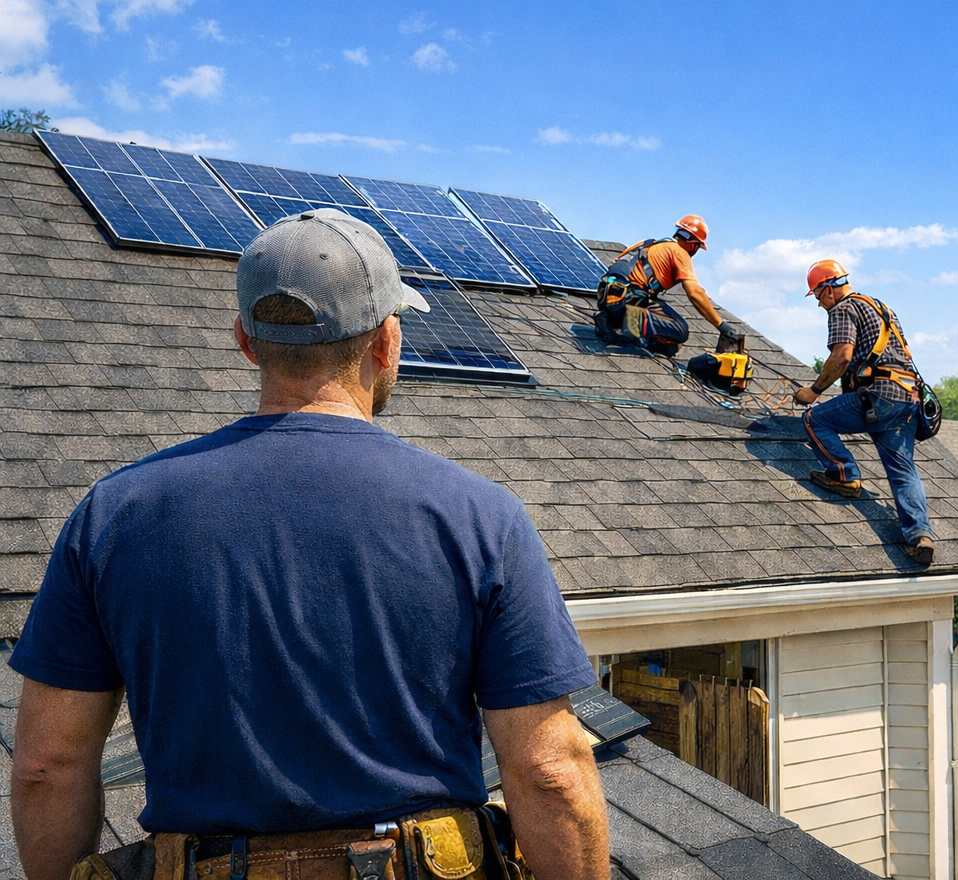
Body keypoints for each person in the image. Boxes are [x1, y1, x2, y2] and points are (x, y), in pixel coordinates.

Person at [9, 207, 609, 880]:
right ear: (386, 341)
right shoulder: (479, 516)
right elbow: (548, 769)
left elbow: (44, 768)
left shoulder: (113, 515)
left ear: (245, 340)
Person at [793, 259, 937, 566]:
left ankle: (845, 475)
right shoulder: (881, 307)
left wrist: (814, 391)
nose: (819, 304)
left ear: (829, 288)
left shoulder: (843, 308)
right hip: (909, 398)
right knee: (903, 471)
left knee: (814, 419)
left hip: (880, 396)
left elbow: (842, 356)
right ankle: (920, 536)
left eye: (818, 296)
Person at [595, 214, 744, 355]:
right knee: (680, 330)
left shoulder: (651, 244)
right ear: (694, 244)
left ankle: (612, 320)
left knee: (665, 338)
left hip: (608, 297)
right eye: (698, 247)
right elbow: (695, 293)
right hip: (627, 299)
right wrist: (722, 325)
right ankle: (624, 325)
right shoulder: (680, 252)